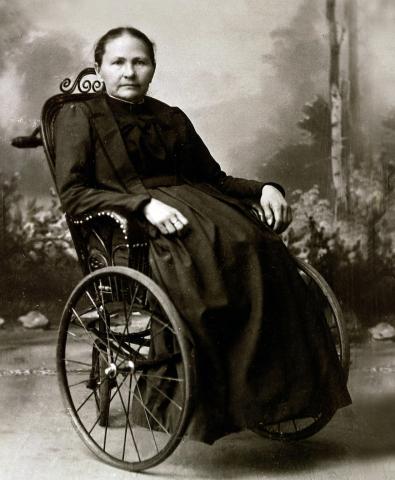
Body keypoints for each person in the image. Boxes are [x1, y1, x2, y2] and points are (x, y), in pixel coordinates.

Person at [55, 27, 351, 444]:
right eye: (118, 62)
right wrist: (141, 205)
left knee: (261, 249)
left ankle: (273, 398)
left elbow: (215, 179)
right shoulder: (81, 117)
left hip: (206, 216)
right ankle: (210, 408)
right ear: (100, 66)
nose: (129, 71)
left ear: (153, 67)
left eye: (139, 61)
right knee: (204, 277)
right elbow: (74, 194)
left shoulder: (170, 117)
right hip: (135, 233)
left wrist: (266, 188)